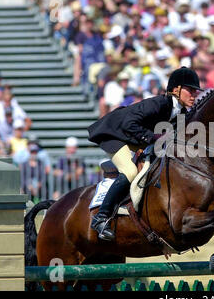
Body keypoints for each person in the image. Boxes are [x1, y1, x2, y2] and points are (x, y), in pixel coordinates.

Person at [87, 67, 203, 241]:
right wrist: (155, 137)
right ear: (176, 90)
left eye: (196, 91)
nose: (194, 94)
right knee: (130, 171)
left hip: (136, 139)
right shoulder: (158, 103)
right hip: (115, 134)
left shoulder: (182, 113)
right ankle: (101, 218)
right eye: (190, 90)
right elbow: (129, 124)